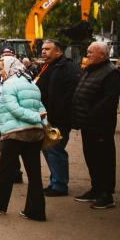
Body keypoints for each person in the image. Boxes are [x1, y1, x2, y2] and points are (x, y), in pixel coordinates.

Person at [0, 56, 47, 221]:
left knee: (5, 170)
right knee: (34, 174)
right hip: (34, 134)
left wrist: (34, 117)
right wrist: (41, 121)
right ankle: (35, 211)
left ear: (10, 68)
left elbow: (13, 109)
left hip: (15, 134)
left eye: (2, 68)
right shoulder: (32, 84)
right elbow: (41, 108)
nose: (0, 72)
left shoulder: (9, 85)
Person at [70, 41, 120, 209]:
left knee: (104, 159)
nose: (88, 54)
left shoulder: (111, 73)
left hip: (100, 126)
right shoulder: (91, 70)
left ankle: (107, 194)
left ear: (102, 55)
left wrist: (90, 116)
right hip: (87, 124)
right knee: (91, 157)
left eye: (91, 52)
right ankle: (96, 188)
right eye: (88, 52)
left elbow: (108, 100)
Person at [35, 39, 81, 197]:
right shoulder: (47, 66)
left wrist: (57, 114)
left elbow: (71, 95)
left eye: (47, 49)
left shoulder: (67, 68)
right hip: (47, 117)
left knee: (55, 150)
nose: (43, 52)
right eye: (42, 49)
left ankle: (60, 185)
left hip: (59, 119)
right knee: (49, 149)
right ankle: (55, 181)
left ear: (58, 52)